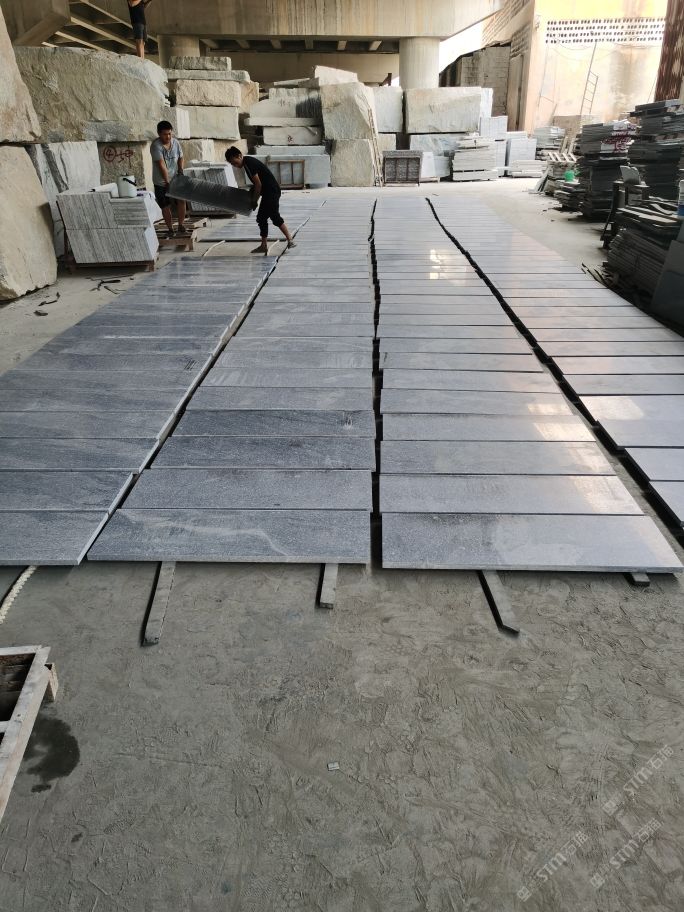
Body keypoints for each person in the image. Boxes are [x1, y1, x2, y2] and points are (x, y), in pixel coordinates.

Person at [225, 147, 296, 254]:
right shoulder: (247, 162)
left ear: (239, 156)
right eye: (232, 164)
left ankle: (289, 240)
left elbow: (258, 185)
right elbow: (257, 184)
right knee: (263, 218)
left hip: (271, 192)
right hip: (269, 192)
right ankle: (265, 245)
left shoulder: (248, 163)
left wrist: (255, 201)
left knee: (272, 217)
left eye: (234, 162)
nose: (235, 165)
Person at [151, 121, 188, 237]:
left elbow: (181, 157)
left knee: (182, 200)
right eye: (164, 134)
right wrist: (167, 182)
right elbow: (161, 165)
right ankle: (170, 229)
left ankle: (181, 225)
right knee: (165, 205)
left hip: (175, 178)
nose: (168, 137)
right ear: (159, 133)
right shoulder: (156, 146)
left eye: (169, 134)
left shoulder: (175, 143)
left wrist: (180, 171)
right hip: (161, 182)